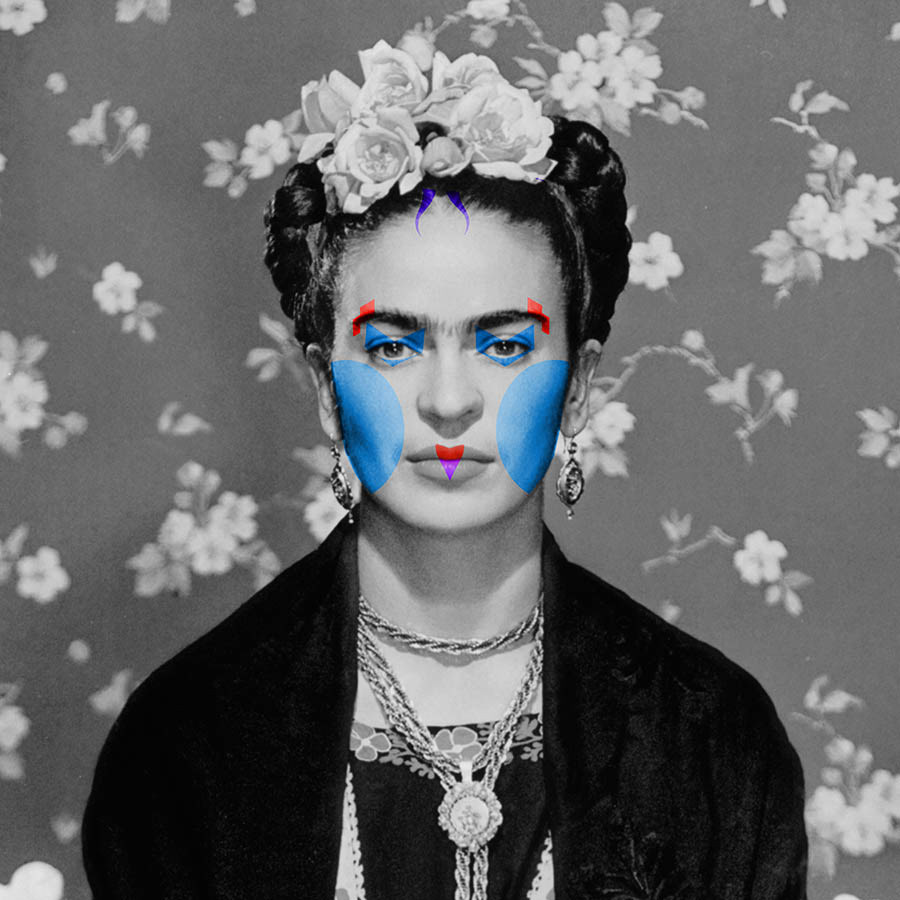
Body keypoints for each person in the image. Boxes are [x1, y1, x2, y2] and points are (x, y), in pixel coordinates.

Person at [81, 40, 808, 900]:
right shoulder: (185, 743)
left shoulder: (711, 735)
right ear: (325, 388)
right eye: (394, 347)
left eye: (504, 345)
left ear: (578, 387)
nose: (450, 400)